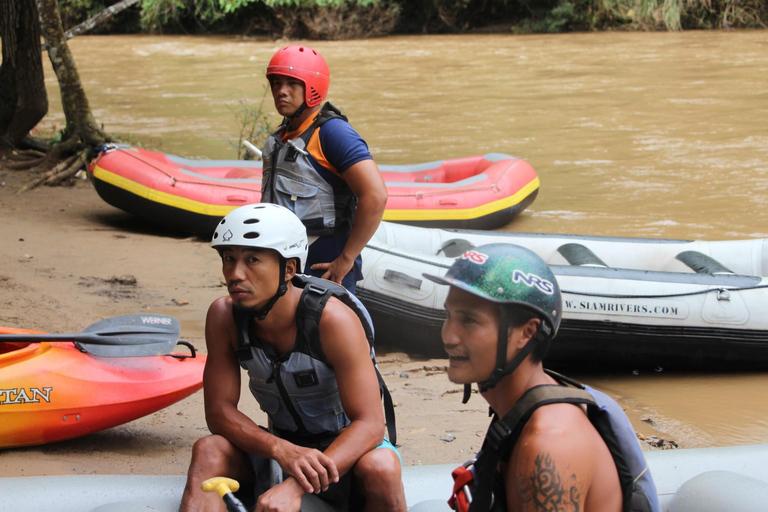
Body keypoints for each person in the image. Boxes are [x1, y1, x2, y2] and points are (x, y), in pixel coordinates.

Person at [180, 203, 405, 512]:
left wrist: (297, 485)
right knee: (208, 449)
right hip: (280, 445)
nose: (235, 274)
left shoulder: (333, 321)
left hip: (345, 452)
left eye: (253, 260)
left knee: (382, 466)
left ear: (288, 269)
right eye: (229, 259)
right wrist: (282, 450)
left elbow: (369, 424)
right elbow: (218, 413)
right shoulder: (224, 317)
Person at [423, 243, 661, 512]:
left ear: (527, 332)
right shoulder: (518, 409)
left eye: (468, 321)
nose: (448, 337)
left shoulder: (549, 446)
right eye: (448, 316)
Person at [259, 45, 387, 294]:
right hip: (283, 269)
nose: (281, 91)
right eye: (275, 82)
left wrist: (346, 259)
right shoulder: (279, 139)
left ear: (312, 88)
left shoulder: (333, 133)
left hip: (326, 272)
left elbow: (376, 194)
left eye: (292, 83)